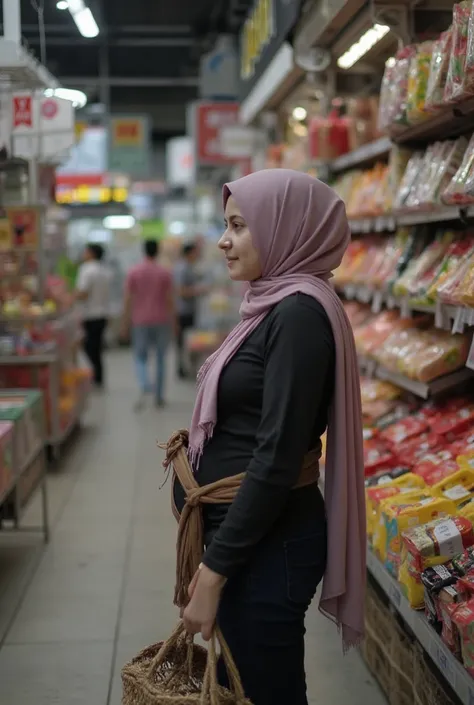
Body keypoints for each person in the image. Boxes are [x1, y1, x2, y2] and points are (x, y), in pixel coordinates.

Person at [166, 169, 366, 705]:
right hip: (249, 543)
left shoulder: (298, 315)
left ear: (283, 229)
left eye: (238, 226)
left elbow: (276, 458)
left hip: (267, 548)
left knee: (265, 691)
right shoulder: (271, 304)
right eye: (225, 225)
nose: (223, 240)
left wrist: (213, 573)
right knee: (249, 686)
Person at [122, 239, 175, 409]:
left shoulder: (134, 272)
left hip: (140, 320)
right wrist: (174, 321)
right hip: (161, 319)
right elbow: (169, 299)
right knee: (160, 359)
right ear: (157, 251)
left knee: (140, 356)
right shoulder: (164, 273)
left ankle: (145, 383)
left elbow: (128, 299)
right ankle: (159, 396)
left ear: (144, 251)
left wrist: (125, 321)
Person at [76, 243, 111, 389]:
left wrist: (72, 297)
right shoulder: (104, 271)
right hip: (102, 313)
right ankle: (98, 377)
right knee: (97, 348)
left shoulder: (86, 269)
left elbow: (83, 293)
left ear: (91, 253)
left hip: (90, 314)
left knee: (89, 347)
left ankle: (92, 377)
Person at [174, 242, 207, 379]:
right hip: (183, 311)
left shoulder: (189, 267)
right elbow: (181, 291)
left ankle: (186, 367)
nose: (197, 255)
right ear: (189, 253)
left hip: (189, 310)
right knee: (183, 341)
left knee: (188, 340)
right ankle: (182, 368)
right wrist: (199, 290)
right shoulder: (183, 269)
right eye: (195, 252)